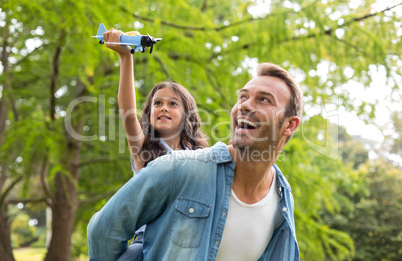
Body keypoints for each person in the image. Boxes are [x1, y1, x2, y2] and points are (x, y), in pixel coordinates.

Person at [87, 62, 303, 260]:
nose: (245, 106)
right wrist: (126, 57)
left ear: (289, 125)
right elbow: (103, 231)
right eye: (243, 97)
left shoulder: (283, 201)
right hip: (143, 241)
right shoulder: (172, 164)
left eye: (264, 99)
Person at [101, 29, 209, 259]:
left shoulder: (200, 156)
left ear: (187, 115)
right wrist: (126, 57)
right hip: (147, 243)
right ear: (149, 113)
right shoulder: (145, 151)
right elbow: (128, 115)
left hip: (186, 243)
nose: (163, 108)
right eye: (157, 103)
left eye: (173, 104)